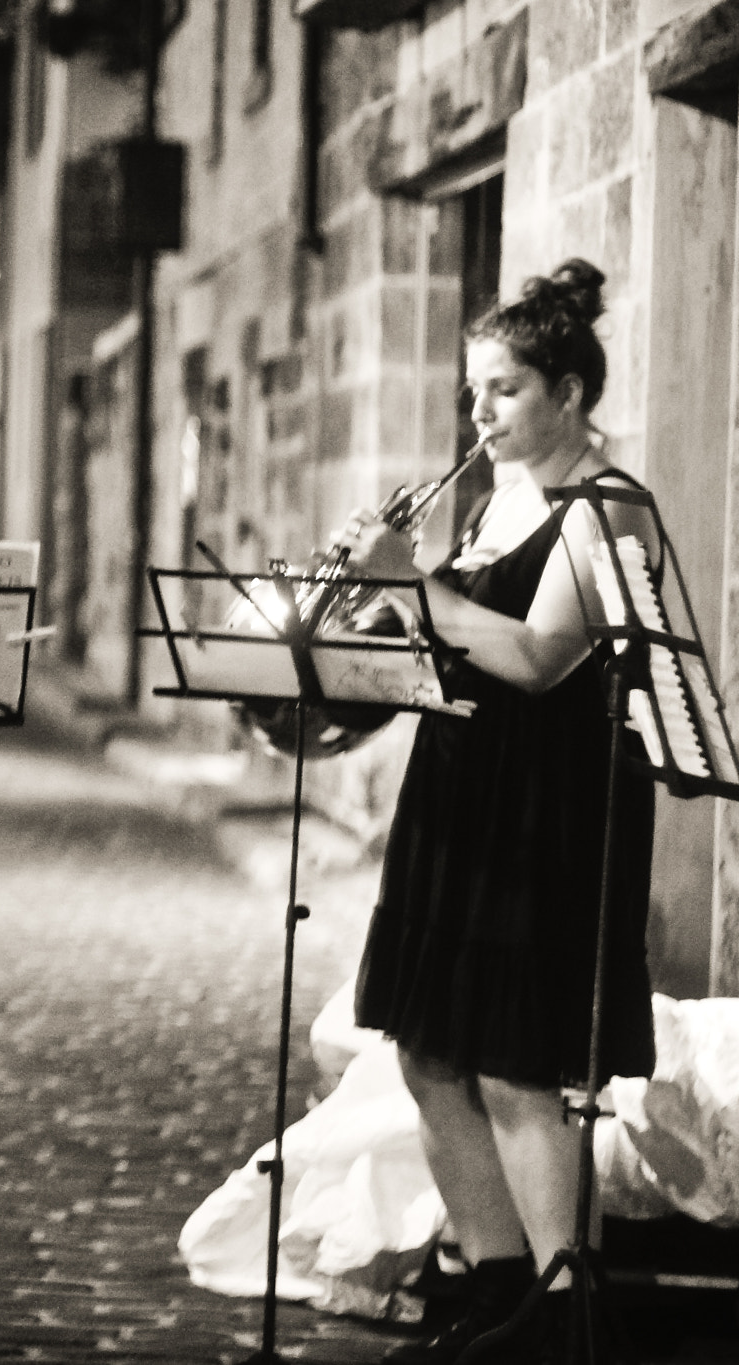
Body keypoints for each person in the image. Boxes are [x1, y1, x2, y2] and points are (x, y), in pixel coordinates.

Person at [339, 259, 658, 1365]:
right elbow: (448, 648)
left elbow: (534, 658)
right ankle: (496, 1287)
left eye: (504, 391)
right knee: (427, 1052)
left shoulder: (608, 510)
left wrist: (409, 582)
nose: (480, 415)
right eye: (472, 392)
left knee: (516, 1065)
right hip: (456, 796)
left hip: (540, 812)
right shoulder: (490, 498)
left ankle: (567, 1315)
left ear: (569, 393)